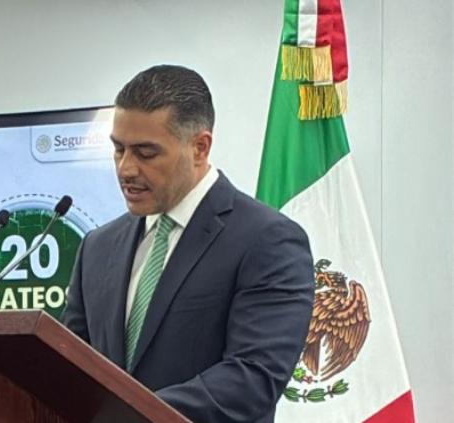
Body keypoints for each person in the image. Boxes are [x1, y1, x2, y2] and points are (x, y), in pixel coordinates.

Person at [62, 65, 314, 423]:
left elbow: (253, 378)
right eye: (118, 149)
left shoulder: (267, 240)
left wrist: (128, 414)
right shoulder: (97, 247)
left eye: (146, 153)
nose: (126, 169)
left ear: (199, 147)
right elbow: (69, 368)